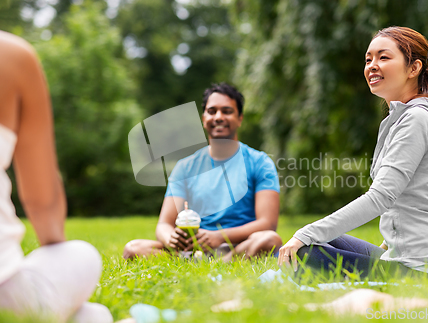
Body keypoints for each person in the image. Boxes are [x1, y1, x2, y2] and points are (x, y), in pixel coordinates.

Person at [278, 26, 428, 278]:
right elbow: (405, 202)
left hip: (424, 270)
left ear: (414, 68)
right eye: (368, 59)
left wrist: (305, 233)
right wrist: (381, 252)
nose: (372, 65)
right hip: (404, 258)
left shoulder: (416, 118)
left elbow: (381, 197)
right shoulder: (400, 118)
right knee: (329, 240)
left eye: (383, 57)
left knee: (306, 250)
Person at [0, 31, 113, 322]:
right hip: (6, 298)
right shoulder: (11, 55)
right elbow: (42, 201)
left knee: (90, 314)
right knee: (81, 257)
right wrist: (57, 254)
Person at [124, 83, 282, 261]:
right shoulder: (185, 167)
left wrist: (219, 236)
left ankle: (221, 263)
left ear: (240, 118)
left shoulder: (260, 163)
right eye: (212, 111)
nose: (219, 117)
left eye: (227, 111)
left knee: (269, 240)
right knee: (133, 249)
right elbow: (164, 224)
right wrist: (172, 239)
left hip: (238, 246)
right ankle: (208, 264)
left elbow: (267, 224)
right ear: (203, 118)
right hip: (193, 249)